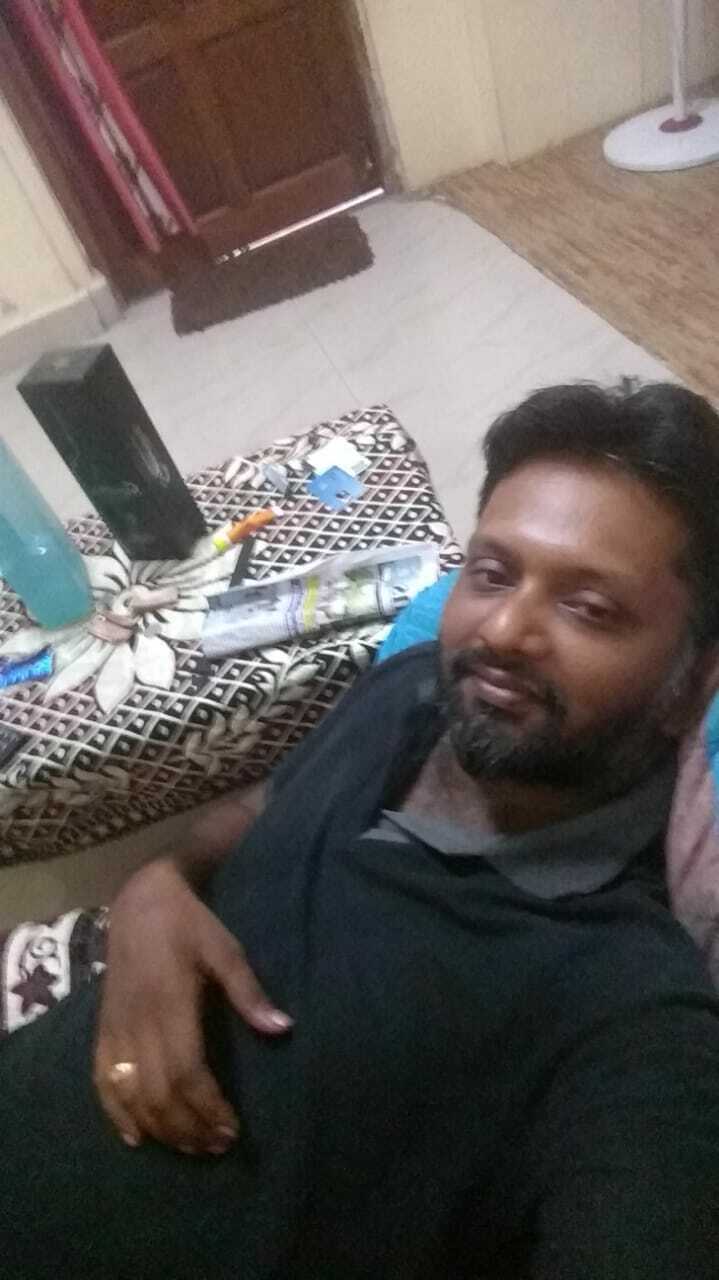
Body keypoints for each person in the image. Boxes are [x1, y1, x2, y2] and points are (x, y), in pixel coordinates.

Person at [3, 380, 719, 1279]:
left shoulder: (625, 1016)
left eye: (589, 608)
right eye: (492, 573)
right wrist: (157, 885)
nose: (503, 630)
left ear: (692, 685)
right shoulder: (412, 688)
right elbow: (267, 808)